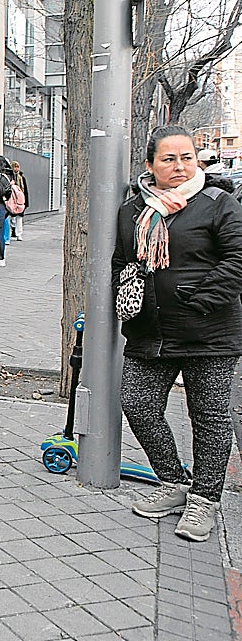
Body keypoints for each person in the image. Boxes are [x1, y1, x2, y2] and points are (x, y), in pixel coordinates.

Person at [114, 126, 242, 542]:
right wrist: (126, 296)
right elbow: (121, 261)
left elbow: (237, 258)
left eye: (187, 157)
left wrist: (199, 301)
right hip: (149, 331)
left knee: (209, 417)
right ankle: (173, 482)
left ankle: (204, 499)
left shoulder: (218, 203)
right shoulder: (133, 210)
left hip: (210, 332)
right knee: (138, 403)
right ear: (150, 164)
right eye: (168, 159)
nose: (180, 166)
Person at [9, 160, 29, 240]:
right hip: (11, 200)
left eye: (18, 167)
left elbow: (25, 190)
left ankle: (18, 234)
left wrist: (25, 202)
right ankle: (11, 232)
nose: (17, 169)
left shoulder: (21, 178)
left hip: (20, 200)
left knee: (19, 217)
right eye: (15, 167)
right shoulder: (9, 177)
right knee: (10, 217)